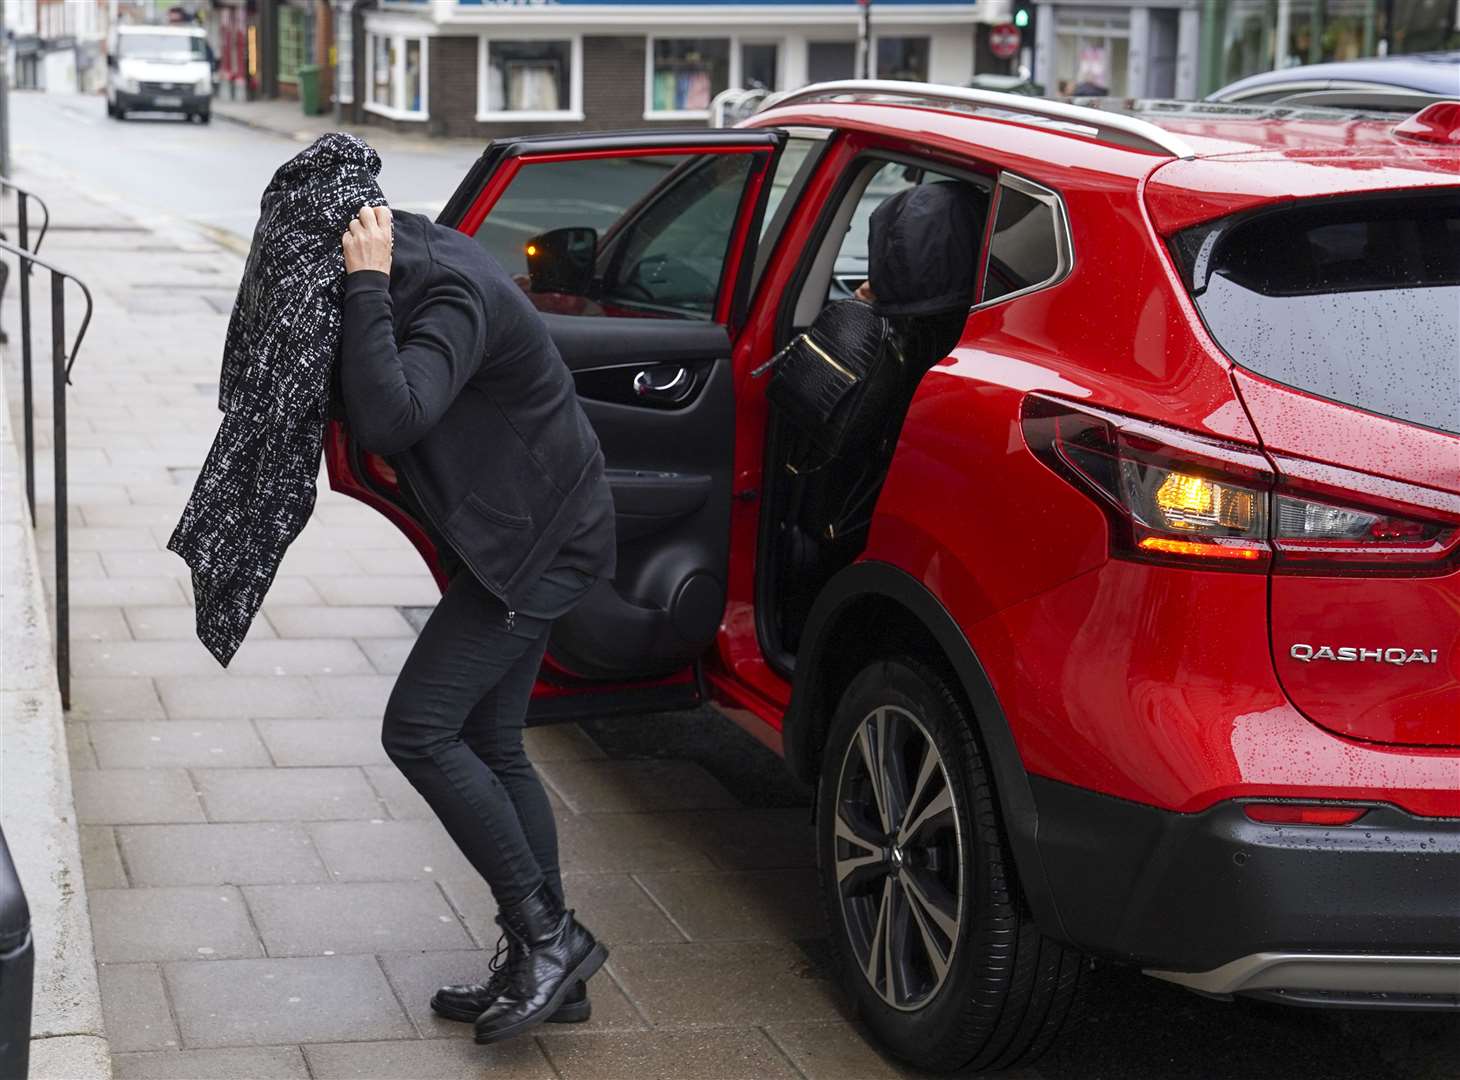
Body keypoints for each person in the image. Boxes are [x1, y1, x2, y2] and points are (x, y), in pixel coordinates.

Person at [338, 204, 616, 1045]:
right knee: (494, 745)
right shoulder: (422, 273)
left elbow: (391, 416)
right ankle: (550, 966)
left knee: (419, 730)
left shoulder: (446, 291)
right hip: (524, 536)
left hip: (539, 544)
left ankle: (547, 938)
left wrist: (364, 288)